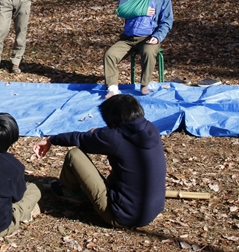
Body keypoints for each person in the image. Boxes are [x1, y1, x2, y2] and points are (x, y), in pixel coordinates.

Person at [33, 94, 166, 229]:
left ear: (113, 122)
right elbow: (113, 133)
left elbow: (79, 138)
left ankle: (70, 192)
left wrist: (51, 140)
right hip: (152, 211)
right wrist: (100, 131)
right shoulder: (151, 129)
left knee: (74, 155)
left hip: (122, 216)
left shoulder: (114, 138)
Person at [104, 0, 173, 98]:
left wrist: (158, 36)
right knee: (110, 55)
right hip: (128, 38)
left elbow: (167, 21)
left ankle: (144, 85)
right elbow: (122, 11)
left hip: (148, 38)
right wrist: (141, 10)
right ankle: (112, 88)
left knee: (148, 52)